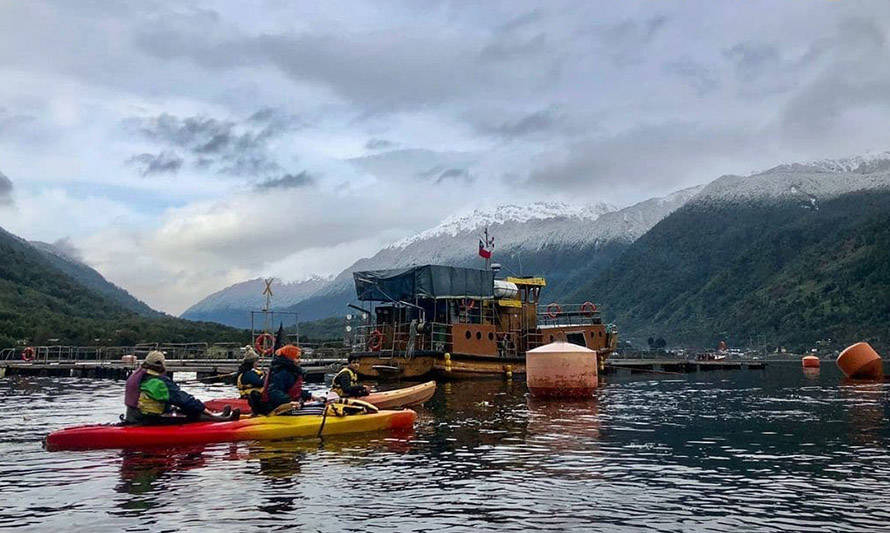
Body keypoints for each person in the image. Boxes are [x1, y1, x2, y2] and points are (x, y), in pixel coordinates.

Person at [124, 351, 239, 425]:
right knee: (191, 412)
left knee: (180, 410)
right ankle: (223, 420)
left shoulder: (139, 376)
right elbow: (183, 399)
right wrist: (202, 408)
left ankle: (217, 417)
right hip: (149, 420)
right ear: (161, 364)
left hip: (133, 417)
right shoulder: (158, 382)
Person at [256, 344, 315, 414]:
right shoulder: (281, 372)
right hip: (274, 408)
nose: (300, 361)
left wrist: (311, 396)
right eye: (297, 358)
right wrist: (289, 402)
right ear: (289, 357)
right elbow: (274, 392)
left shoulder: (290, 371)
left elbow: (293, 390)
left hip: (286, 404)